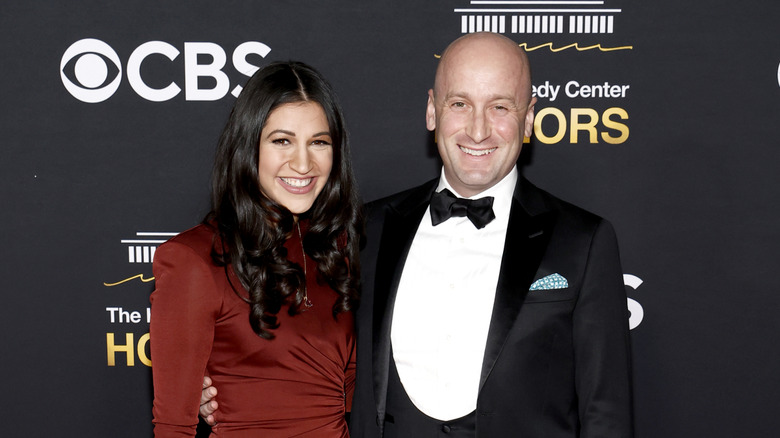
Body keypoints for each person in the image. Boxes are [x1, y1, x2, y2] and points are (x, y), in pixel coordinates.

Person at [202, 32, 633, 437]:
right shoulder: (364, 228)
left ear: (529, 118)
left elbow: (606, 413)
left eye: (500, 107)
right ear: (432, 111)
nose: (478, 129)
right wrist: (217, 378)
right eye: (459, 103)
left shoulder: (583, 242)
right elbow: (293, 338)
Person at [150, 61, 361, 437]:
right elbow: (172, 428)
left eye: (319, 142)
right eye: (282, 141)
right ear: (249, 146)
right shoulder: (196, 259)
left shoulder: (340, 249)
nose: (302, 163)